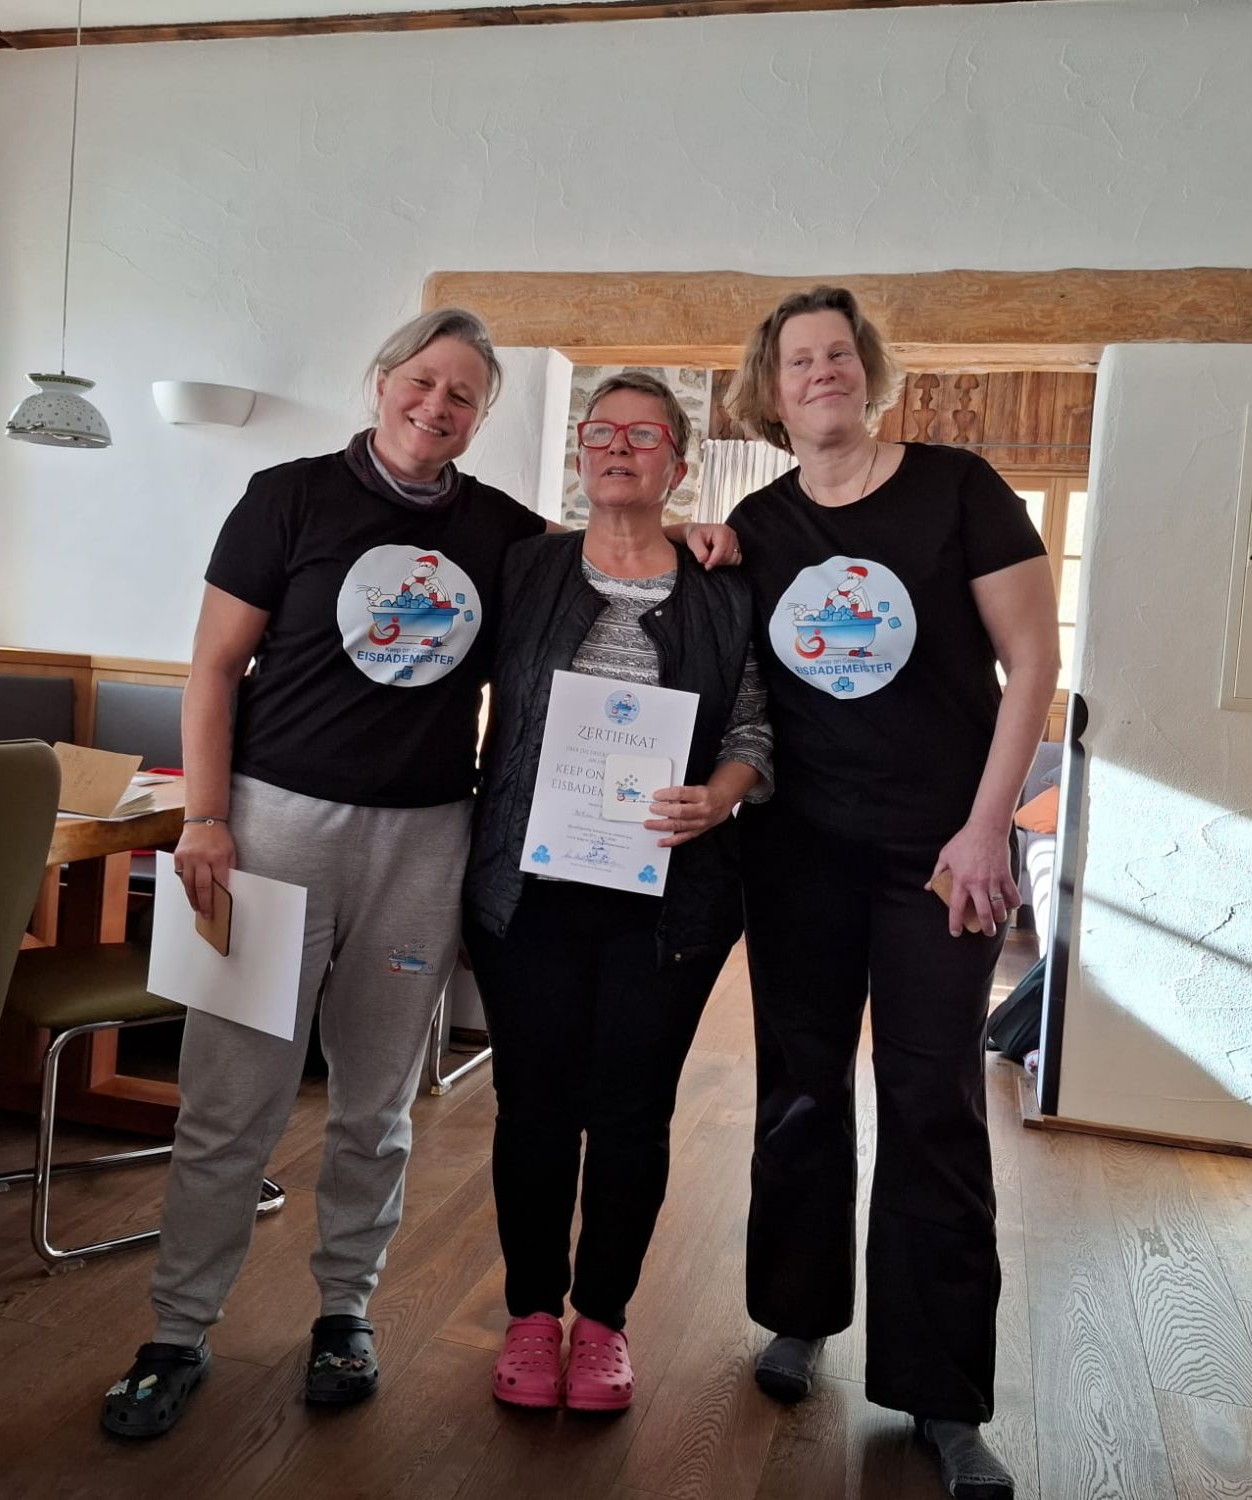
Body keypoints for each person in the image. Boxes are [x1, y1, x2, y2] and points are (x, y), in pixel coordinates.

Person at [99, 311, 737, 1440]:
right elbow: (212, 667)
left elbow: (606, 546)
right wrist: (204, 816)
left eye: (462, 396)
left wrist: (693, 532)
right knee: (230, 1097)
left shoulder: (499, 533)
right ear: (383, 380)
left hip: (429, 839)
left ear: (480, 419)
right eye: (421, 382)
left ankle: (345, 1314)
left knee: (378, 1101)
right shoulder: (285, 497)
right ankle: (177, 1331)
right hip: (270, 829)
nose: (435, 406)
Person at [724, 286, 1060, 1500]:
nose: (819, 371)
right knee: (799, 1087)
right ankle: (796, 1313)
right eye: (796, 360)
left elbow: (1032, 660)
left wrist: (986, 827)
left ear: (867, 372)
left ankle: (943, 1395)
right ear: (769, 393)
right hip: (796, 850)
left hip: (938, 853)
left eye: (837, 354)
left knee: (931, 1103)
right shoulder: (755, 522)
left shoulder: (957, 488)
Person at [464, 372, 771, 1412]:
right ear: (579, 453)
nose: (618, 447)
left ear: (678, 464)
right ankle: (528, 1314)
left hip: (671, 897)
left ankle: (601, 1323)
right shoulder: (524, 567)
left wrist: (720, 796)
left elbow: (755, 721)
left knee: (634, 1112)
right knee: (533, 1105)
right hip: (529, 889)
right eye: (601, 432)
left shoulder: (725, 585)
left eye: (644, 435)